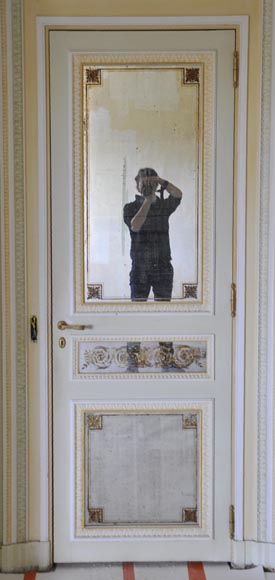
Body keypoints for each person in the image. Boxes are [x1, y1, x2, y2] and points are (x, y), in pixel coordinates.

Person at [123, 167, 182, 302]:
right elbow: (135, 226)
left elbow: (178, 194)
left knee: (163, 310)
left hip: (163, 265)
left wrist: (160, 181)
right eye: (144, 183)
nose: (148, 186)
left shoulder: (162, 206)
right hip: (140, 266)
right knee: (137, 311)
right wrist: (148, 200)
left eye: (152, 184)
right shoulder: (130, 207)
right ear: (137, 185)